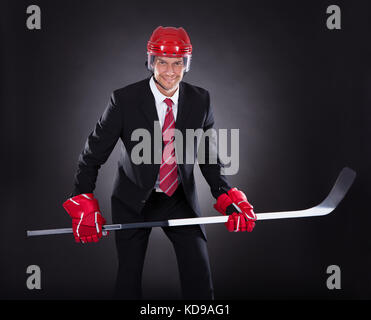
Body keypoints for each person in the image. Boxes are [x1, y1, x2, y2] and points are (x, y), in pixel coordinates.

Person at [62, 26, 257, 300]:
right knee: (128, 279)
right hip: (132, 200)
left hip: (178, 198)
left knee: (199, 276)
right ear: (151, 61)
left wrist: (226, 195)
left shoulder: (201, 100)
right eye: (162, 62)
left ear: (187, 64)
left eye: (178, 63)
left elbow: (209, 157)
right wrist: (82, 197)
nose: (170, 71)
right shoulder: (124, 100)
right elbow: (92, 154)